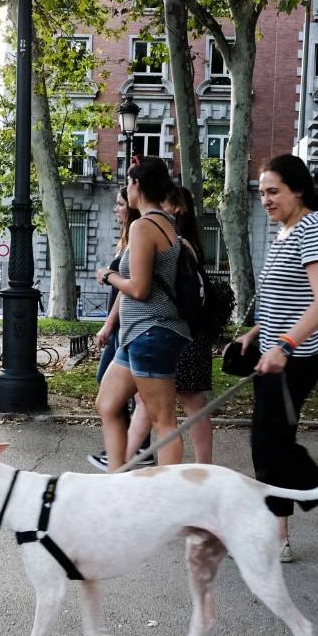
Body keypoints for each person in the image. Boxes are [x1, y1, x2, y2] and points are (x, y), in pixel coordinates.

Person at [228, 154, 318, 565]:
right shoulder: (285, 230)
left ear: (298, 189)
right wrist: (257, 334)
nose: (266, 200)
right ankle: (279, 537)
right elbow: (281, 298)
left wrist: (285, 345)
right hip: (275, 352)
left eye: (273, 191)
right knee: (268, 446)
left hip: (300, 353)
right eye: (261, 193)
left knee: (274, 444)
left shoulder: (313, 228)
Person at [94, 157, 191, 469]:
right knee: (107, 404)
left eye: (128, 182)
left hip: (152, 332)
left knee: (163, 420)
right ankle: (117, 481)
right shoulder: (168, 223)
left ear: (135, 185)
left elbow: (139, 289)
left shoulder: (143, 226)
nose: (126, 189)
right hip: (140, 334)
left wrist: (109, 276)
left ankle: (168, 498)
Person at [125, 185, 216, 465]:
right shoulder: (178, 239)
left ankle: (202, 467)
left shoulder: (175, 241)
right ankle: (124, 461)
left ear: (176, 207)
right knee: (148, 402)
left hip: (179, 329)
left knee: (188, 404)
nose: (156, 207)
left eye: (161, 201)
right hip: (185, 330)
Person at [87, 189, 145, 471]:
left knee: (120, 393)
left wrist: (109, 324)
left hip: (127, 326)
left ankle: (128, 451)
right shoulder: (128, 238)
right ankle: (129, 450)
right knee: (132, 396)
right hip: (124, 325)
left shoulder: (137, 237)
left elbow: (131, 287)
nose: (116, 209)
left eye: (120, 204)